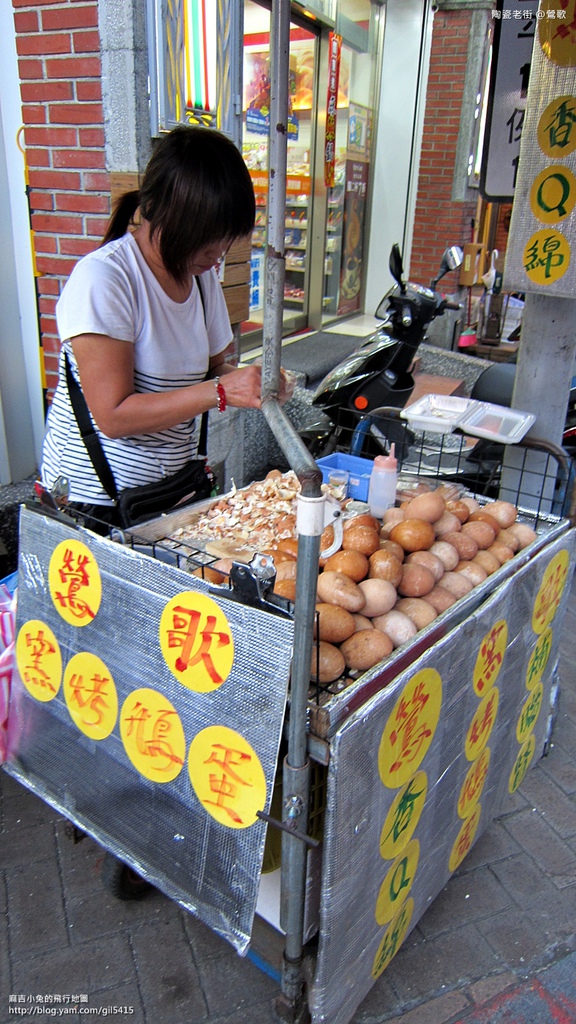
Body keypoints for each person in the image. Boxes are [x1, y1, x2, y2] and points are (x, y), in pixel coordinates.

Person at [40, 125, 293, 524]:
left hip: (169, 491)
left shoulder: (201, 279)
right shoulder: (106, 280)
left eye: (225, 241)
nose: (216, 255)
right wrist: (222, 390)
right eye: (206, 240)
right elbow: (114, 416)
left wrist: (252, 381)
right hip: (98, 501)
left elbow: (211, 373)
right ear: (163, 215)